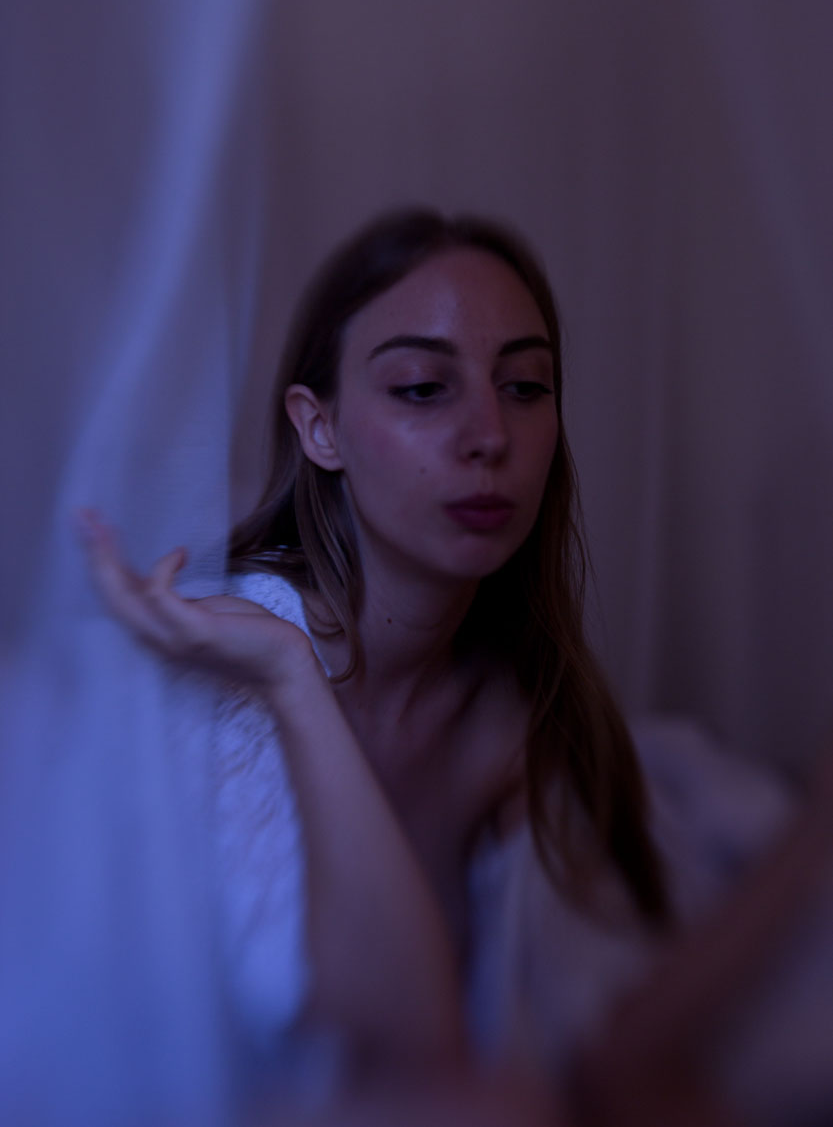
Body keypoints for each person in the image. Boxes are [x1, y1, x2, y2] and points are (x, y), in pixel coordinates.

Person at [77, 207, 675, 1109]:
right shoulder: (233, 657)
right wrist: (290, 677)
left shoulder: (518, 717)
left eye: (524, 387)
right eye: (423, 389)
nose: (489, 434)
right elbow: (407, 1043)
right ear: (318, 430)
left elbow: (573, 1054)